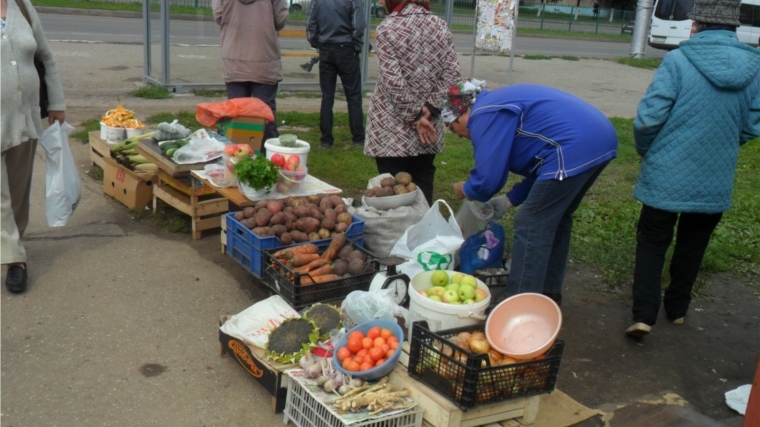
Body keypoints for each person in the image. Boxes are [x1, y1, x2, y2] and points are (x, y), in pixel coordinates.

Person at [625, 0, 760, 338]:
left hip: (665, 173)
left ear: (697, 24)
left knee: (653, 241)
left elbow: (649, 119)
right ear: (734, 27)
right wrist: (725, 144)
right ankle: (678, 309)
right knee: (693, 243)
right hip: (714, 177)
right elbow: (753, 123)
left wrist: (646, 150)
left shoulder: (678, 59)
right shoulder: (754, 67)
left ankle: (644, 315)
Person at [447, 82, 618, 306]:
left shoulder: (483, 113)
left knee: (530, 221)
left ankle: (518, 304)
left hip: (574, 145)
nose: (458, 135)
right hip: (598, 138)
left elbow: (488, 180)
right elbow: (543, 167)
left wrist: (467, 189)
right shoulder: (494, 105)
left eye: (452, 128)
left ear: (462, 113)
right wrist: (510, 200)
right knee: (556, 217)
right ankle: (547, 293)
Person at [364, 0, 461, 205]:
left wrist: (416, 116)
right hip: (428, 123)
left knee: (391, 184)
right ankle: (423, 228)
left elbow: (393, 82)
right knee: (424, 177)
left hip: (393, 123)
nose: (381, 1)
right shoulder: (440, 25)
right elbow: (453, 76)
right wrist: (429, 109)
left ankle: (398, 230)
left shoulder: (388, 28)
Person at [1, 0, 66, 293]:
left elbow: (46, 57)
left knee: (18, 192)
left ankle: (13, 240)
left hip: (23, 117)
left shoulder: (22, 6)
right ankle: (15, 261)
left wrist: (57, 103)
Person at [212, 0, 288, 152]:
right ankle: (271, 159)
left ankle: (235, 159)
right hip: (264, 59)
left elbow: (219, 16)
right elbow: (280, 20)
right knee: (265, 115)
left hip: (234, 59)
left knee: (236, 116)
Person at [306, 0, 366, 149]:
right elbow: (359, 25)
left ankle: (326, 141)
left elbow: (310, 25)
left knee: (327, 97)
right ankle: (358, 139)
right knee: (353, 96)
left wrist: (316, 42)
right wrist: (355, 44)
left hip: (326, 49)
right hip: (346, 48)